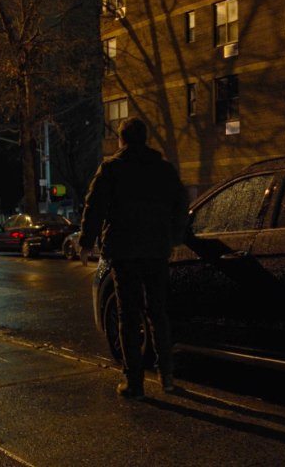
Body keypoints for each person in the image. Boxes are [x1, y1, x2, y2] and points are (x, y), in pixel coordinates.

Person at [79, 117, 189, 400]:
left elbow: (95, 206)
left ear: (122, 139)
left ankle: (134, 383)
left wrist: (87, 242)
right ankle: (167, 376)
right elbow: (181, 203)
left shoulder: (112, 169)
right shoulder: (163, 169)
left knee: (128, 316)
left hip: (124, 251)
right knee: (158, 312)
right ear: (145, 138)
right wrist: (173, 237)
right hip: (156, 251)